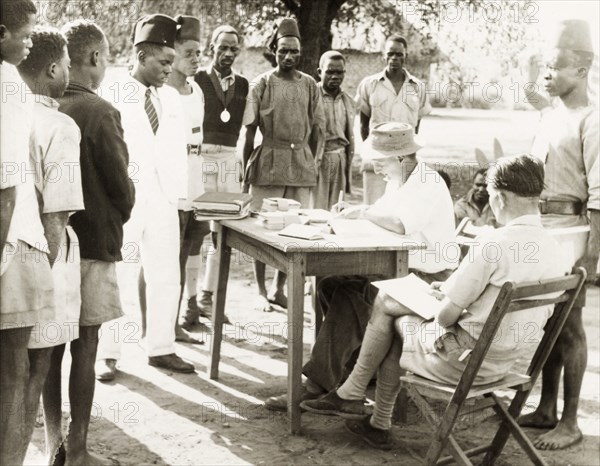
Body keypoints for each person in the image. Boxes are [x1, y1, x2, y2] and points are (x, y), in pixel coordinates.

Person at [302, 154, 572, 450]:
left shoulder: (494, 244)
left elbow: (445, 318)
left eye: (492, 197)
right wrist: (451, 292)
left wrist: (443, 300)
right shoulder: (557, 250)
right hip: (507, 363)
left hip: (462, 361)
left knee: (389, 307)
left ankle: (360, 401)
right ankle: (368, 412)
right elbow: (494, 298)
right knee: (393, 308)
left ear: (503, 198)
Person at [265, 122, 459, 411]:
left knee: (350, 297)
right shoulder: (399, 181)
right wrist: (351, 216)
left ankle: (317, 384)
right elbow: (380, 215)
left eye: (380, 161)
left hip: (429, 279)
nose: (376, 168)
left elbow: (398, 223)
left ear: (401, 158)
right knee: (330, 283)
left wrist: (363, 212)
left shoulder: (427, 182)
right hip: (400, 267)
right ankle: (346, 374)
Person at [54, 20, 135, 463]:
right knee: (86, 347)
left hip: (51, 247)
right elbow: (121, 186)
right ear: (95, 59)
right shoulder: (100, 111)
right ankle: (79, 449)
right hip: (93, 245)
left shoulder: (44, 104)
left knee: (48, 352)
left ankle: (54, 444)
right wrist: (121, 213)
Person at [517, 19, 599, 451]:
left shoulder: (593, 119)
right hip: (541, 227)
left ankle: (570, 421)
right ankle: (546, 408)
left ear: (583, 69)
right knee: (546, 321)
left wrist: (592, 256)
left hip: (572, 232)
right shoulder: (551, 115)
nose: (546, 74)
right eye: (545, 67)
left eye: (555, 67)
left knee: (570, 328)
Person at [95, 14, 193, 375]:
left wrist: (180, 200)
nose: (171, 68)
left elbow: (177, 151)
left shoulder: (171, 98)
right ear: (141, 56)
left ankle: (161, 346)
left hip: (164, 200)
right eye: (164, 62)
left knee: (167, 274)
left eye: (172, 61)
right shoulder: (114, 92)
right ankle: (107, 353)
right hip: (125, 202)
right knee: (119, 274)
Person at [242, 17, 325, 312]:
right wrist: (245, 170)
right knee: (262, 229)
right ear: (274, 51)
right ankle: (261, 291)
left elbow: (317, 129)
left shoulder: (311, 84)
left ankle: (280, 288)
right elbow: (250, 132)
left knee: (294, 229)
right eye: (283, 51)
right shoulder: (262, 83)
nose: (289, 57)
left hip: (300, 165)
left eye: (294, 52)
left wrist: (308, 160)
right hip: (269, 161)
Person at [0, 3, 50, 465]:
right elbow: (7, 186)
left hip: (14, 237)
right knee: (15, 367)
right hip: (11, 244)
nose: (31, 40)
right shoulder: (9, 84)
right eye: (26, 32)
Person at [138, 14, 208, 345]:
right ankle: (125, 342)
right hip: (142, 191)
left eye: (198, 53)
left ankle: (165, 336)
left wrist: (187, 194)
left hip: (178, 190)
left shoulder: (183, 95)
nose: (169, 68)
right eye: (164, 61)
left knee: (172, 266)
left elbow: (188, 147)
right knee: (135, 267)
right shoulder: (132, 93)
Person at [182, 24, 248, 326]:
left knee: (224, 234)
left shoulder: (244, 85)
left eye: (234, 48)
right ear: (212, 48)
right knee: (197, 233)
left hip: (228, 161)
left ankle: (211, 297)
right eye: (223, 47)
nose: (228, 53)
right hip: (202, 159)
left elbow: (250, 129)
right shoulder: (196, 81)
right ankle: (190, 302)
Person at [356, 35, 431, 141]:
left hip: (406, 151)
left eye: (399, 54)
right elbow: (363, 126)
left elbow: (416, 126)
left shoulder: (418, 87)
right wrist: (369, 151)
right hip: (378, 152)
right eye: (390, 54)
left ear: (406, 56)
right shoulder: (368, 84)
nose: (394, 58)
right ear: (383, 55)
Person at [311, 50, 355, 210]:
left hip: (340, 160)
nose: (335, 76)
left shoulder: (348, 101)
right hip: (317, 160)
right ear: (320, 72)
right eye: (330, 72)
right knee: (316, 209)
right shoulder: (311, 97)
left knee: (337, 210)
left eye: (339, 72)